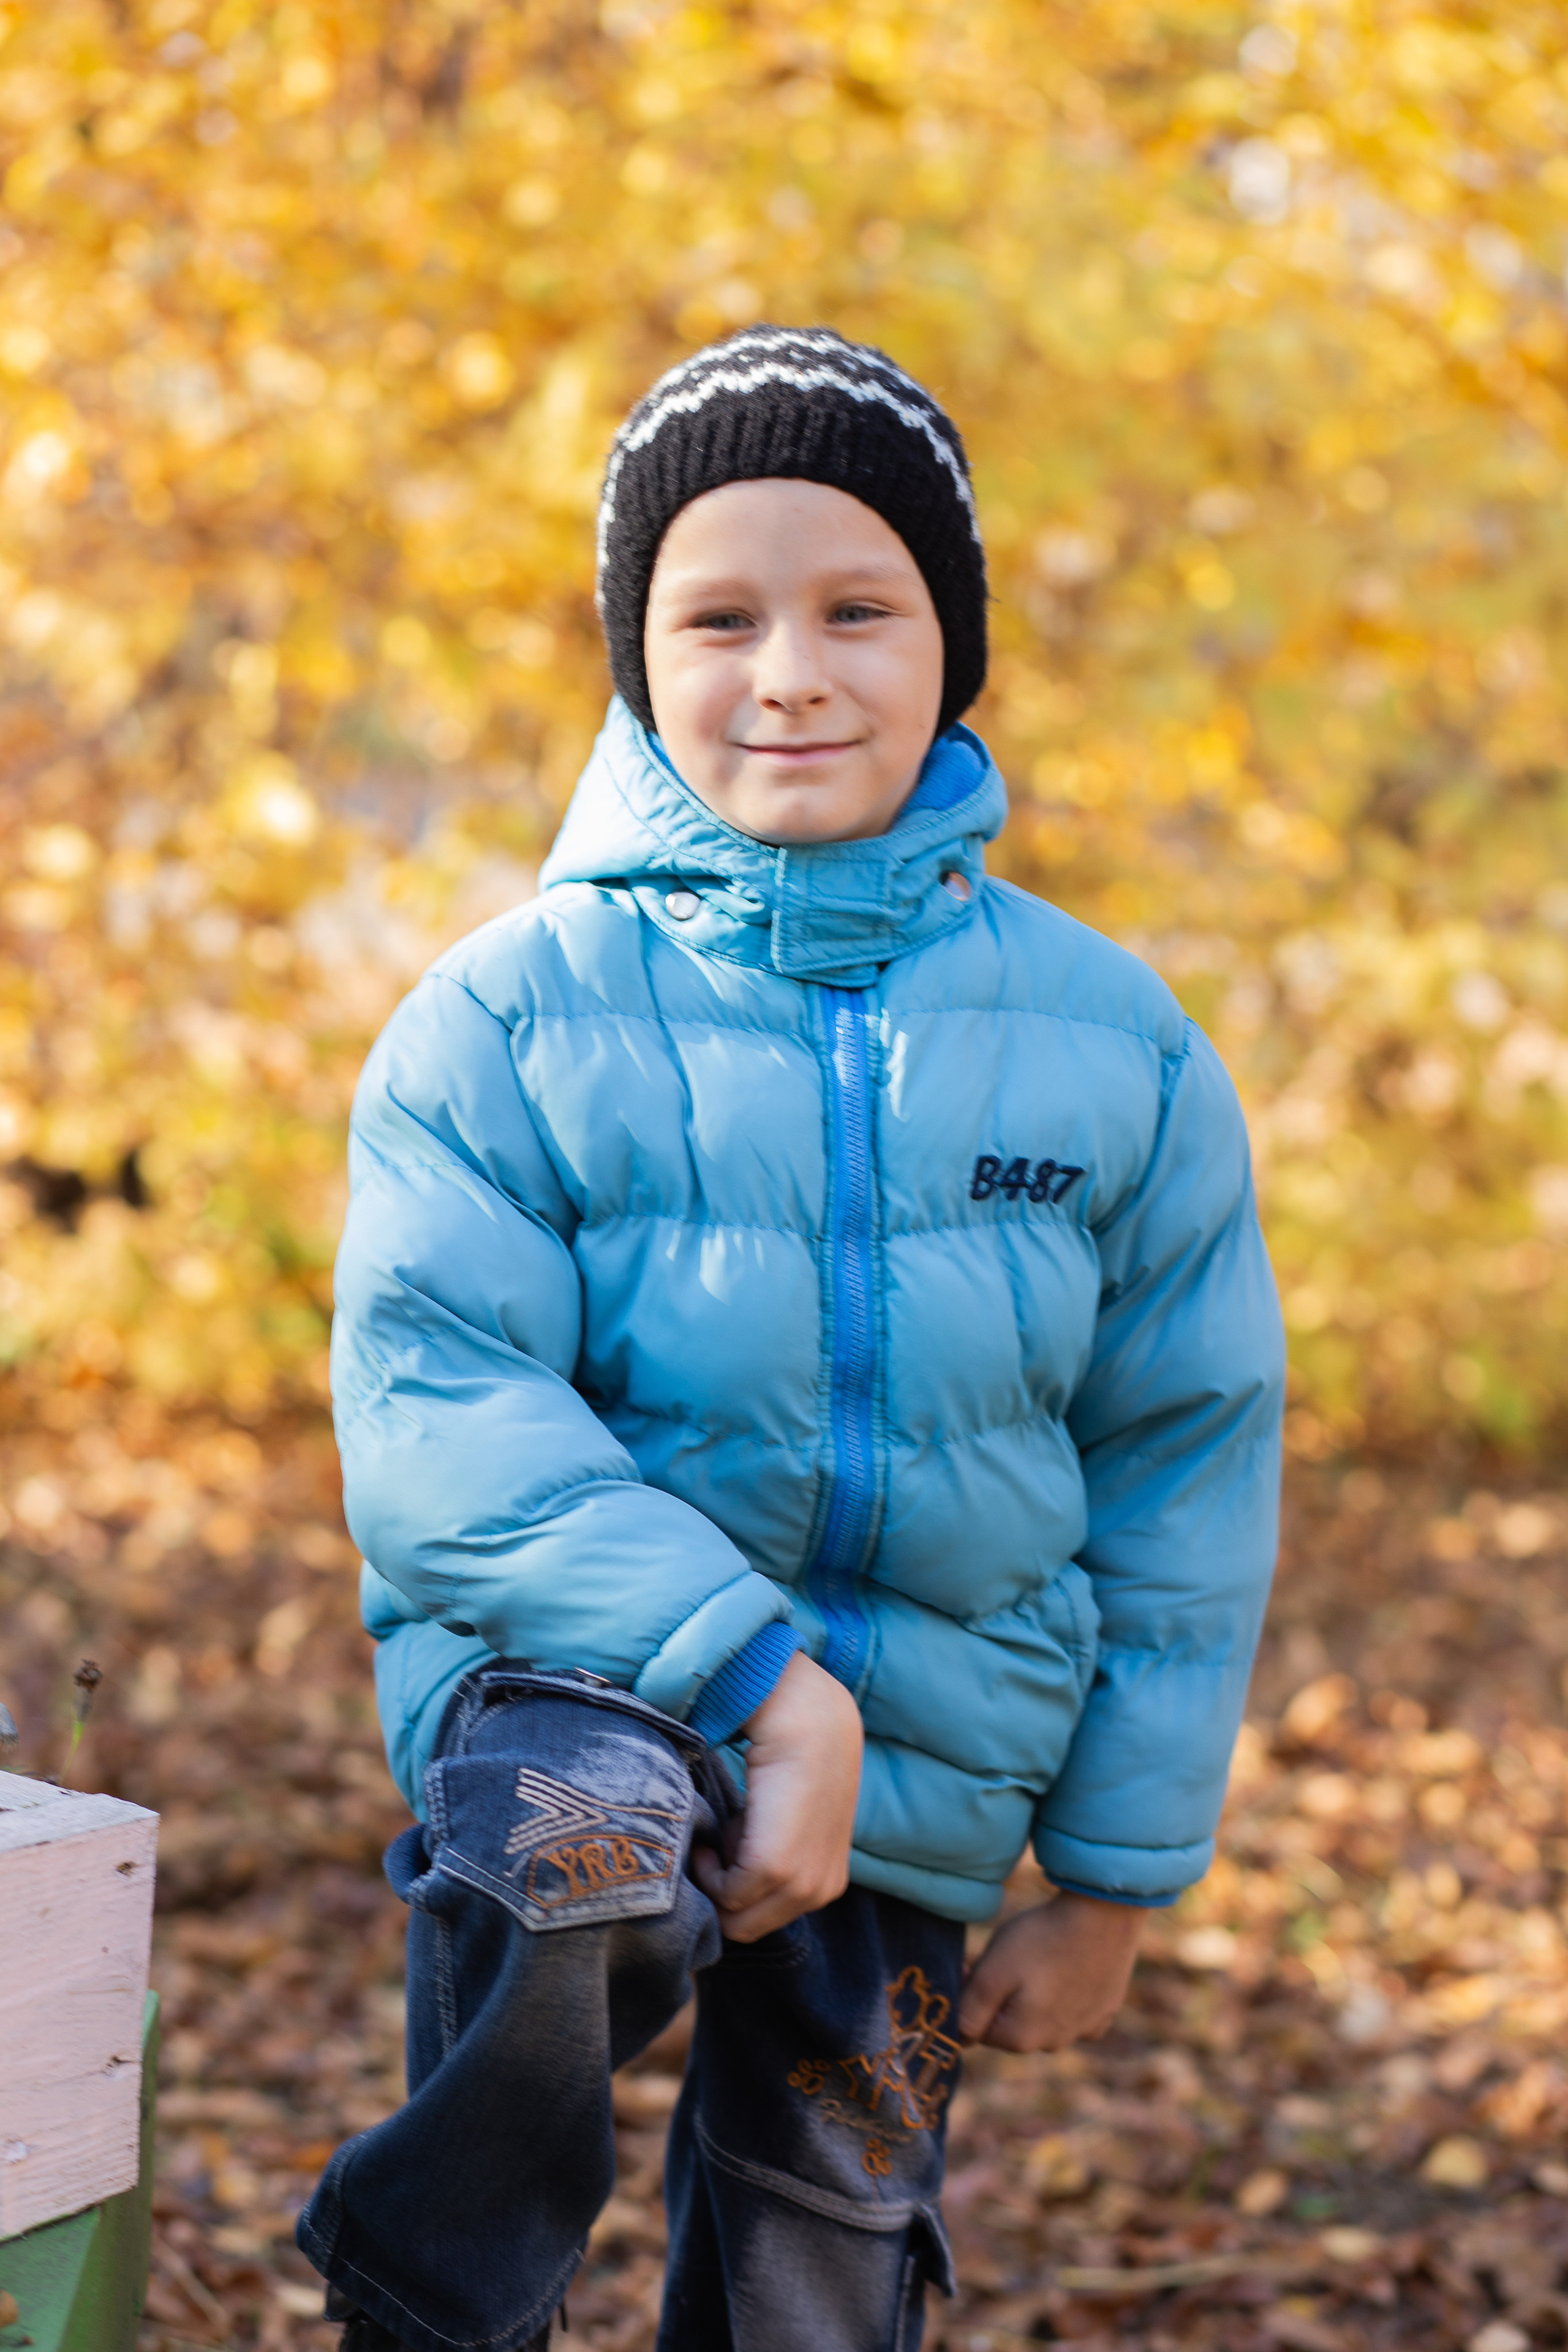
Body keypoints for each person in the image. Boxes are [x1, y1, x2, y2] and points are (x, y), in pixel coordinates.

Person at [296, 326, 1284, 2352]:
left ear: (954, 648)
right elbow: (440, 1414)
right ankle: (427, 2306)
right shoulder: (506, 1021)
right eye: (720, 617)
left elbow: (1184, 1458)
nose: (791, 672)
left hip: (932, 1756)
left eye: (858, 610)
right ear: (636, 654)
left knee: (821, 2268)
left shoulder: (1116, 1046)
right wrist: (761, 1680)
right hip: (581, 1700)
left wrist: (1113, 1880)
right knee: (575, 1855)